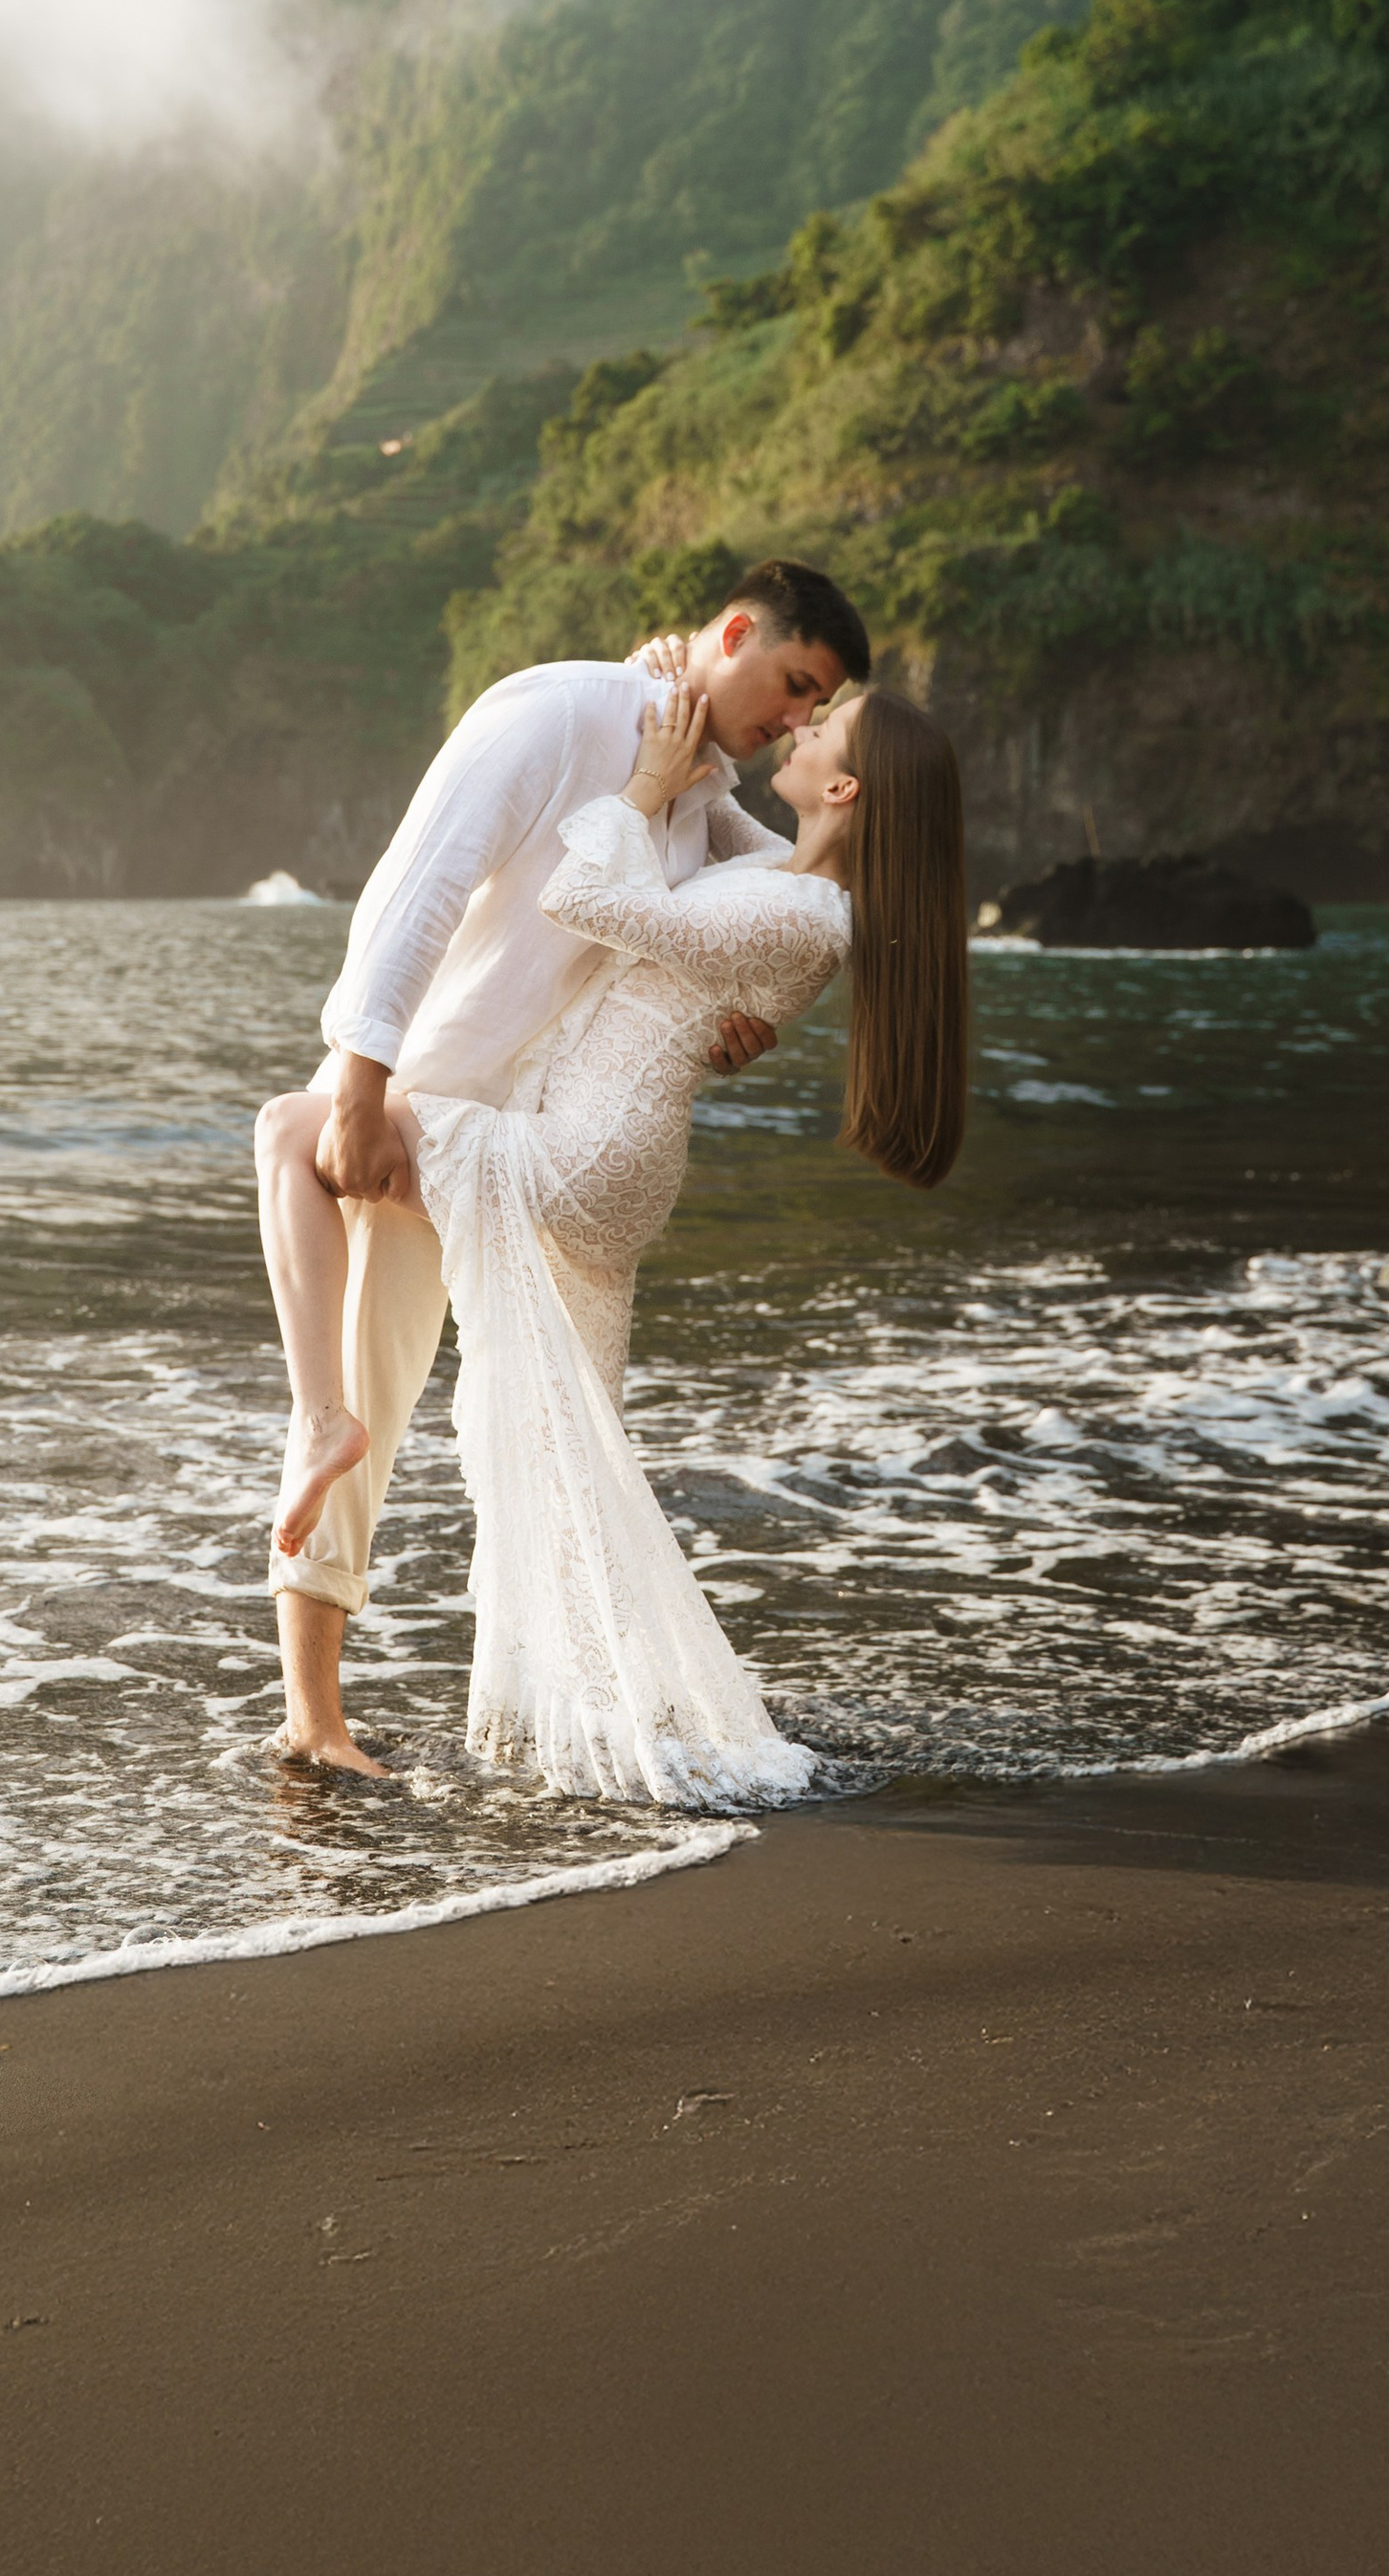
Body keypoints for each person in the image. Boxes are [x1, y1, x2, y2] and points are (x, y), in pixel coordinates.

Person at [254, 668, 970, 1801]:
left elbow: (584, 894)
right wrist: (673, 703)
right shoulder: (788, 880)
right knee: (568, 1460)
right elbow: (715, 819)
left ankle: (322, 1418)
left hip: (585, 1156)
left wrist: (639, 789)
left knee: (291, 1130)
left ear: (843, 787)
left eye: (820, 723)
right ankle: (594, 1706)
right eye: (798, 699)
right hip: (614, 1162)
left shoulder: (794, 909)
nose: (795, 727)